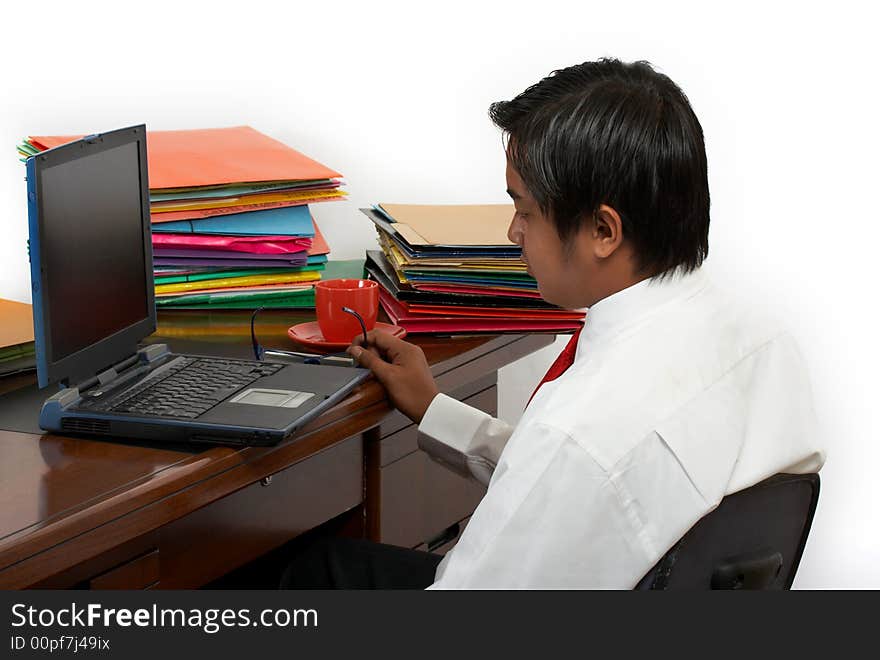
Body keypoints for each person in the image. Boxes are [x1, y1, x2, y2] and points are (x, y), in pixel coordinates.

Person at [280, 57, 825, 589]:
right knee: (330, 564)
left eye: (525, 209)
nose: (514, 233)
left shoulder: (580, 434)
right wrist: (435, 411)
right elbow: (590, 493)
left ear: (603, 231)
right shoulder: (764, 343)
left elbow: (575, 471)